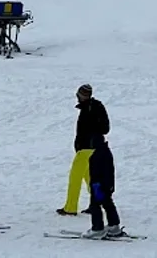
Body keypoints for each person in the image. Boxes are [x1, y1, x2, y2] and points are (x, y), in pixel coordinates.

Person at [58, 84, 109, 218]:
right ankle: (100, 203)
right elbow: (105, 128)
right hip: (96, 148)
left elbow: (97, 129)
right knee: (91, 178)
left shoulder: (89, 109)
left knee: (75, 178)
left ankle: (70, 207)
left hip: (86, 149)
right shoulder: (96, 106)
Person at [83, 133, 122, 239]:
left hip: (99, 186)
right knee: (108, 204)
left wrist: (95, 186)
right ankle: (114, 226)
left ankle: (97, 229)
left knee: (95, 206)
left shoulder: (97, 155)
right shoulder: (106, 151)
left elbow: (95, 173)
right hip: (107, 184)